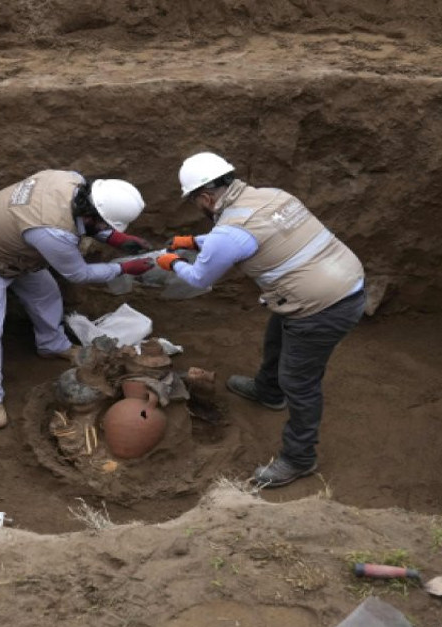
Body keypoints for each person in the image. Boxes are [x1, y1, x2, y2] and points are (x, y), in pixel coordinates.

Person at [157, 152, 367, 488]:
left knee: (300, 382)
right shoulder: (272, 196)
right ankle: (268, 391)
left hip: (323, 307)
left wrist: (172, 262)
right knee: (277, 333)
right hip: (343, 278)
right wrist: (195, 241)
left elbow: (199, 277)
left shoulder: (230, 231)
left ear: (206, 197)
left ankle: (299, 459)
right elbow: (251, 235)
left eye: (195, 201)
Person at [0, 170, 155, 429]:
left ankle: (52, 344)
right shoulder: (52, 233)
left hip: (13, 246)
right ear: (93, 213)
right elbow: (79, 274)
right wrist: (125, 268)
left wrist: (120, 240)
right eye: (107, 225)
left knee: (46, 294)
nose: (107, 230)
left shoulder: (72, 180)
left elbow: (87, 223)